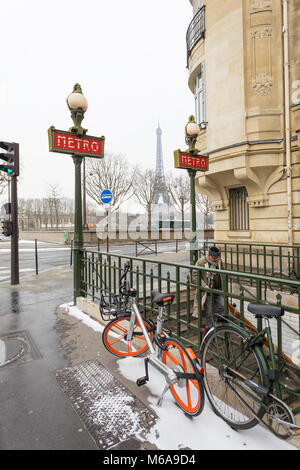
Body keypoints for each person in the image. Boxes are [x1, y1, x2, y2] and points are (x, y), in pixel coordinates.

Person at [192, 246, 224, 331]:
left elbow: (222, 273)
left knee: (222, 306)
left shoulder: (219, 262)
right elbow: (194, 276)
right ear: (209, 255)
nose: (215, 259)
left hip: (218, 289)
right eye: (214, 257)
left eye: (217, 257)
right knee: (208, 311)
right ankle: (208, 328)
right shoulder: (201, 262)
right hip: (207, 291)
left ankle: (214, 321)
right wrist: (204, 285)